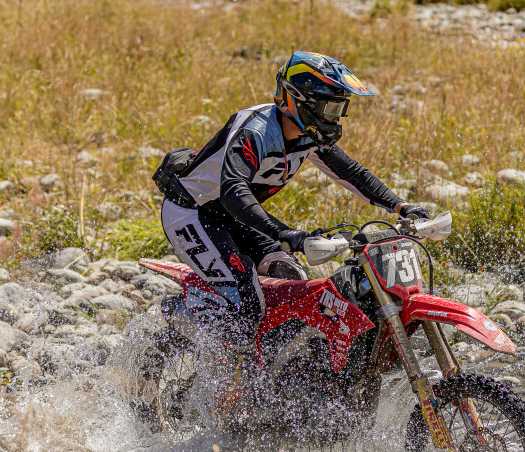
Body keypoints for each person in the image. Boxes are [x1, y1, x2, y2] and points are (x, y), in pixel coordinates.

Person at [154, 50, 428, 353]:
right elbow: (233, 190)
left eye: (339, 109)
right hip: (192, 213)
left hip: (237, 216)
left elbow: (351, 173)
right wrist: (288, 234)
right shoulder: (255, 131)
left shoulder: (309, 136)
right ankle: (183, 314)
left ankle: (268, 364)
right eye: (328, 108)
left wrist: (402, 206)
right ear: (297, 101)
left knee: (293, 280)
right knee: (245, 301)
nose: (334, 119)